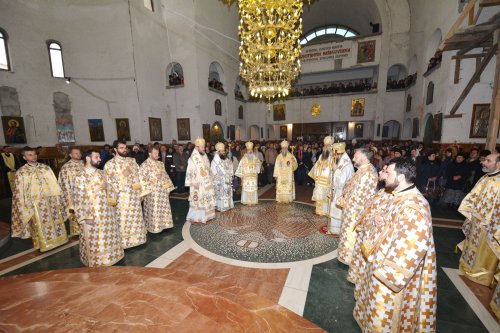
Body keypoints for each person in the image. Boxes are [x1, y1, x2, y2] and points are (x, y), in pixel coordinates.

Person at [354, 158, 437, 332]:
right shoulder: (398, 196)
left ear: (400, 177)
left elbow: (411, 247)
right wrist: (380, 220)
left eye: (388, 172)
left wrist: (385, 272)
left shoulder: (415, 207)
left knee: (385, 312)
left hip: (389, 273)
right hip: (379, 261)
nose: (384, 176)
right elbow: (392, 222)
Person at [11, 147, 68, 252]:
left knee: (55, 220)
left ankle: (60, 240)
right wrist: (25, 204)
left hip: (50, 201)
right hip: (35, 203)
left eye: (34, 154)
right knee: (39, 225)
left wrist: (57, 198)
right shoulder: (22, 172)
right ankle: (44, 244)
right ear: (24, 157)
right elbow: (20, 191)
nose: (34, 156)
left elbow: (54, 184)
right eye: (30, 155)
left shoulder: (45, 168)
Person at [73, 150, 124, 267]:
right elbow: (78, 198)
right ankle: (98, 260)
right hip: (92, 214)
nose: (100, 159)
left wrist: (108, 187)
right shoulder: (80, 177)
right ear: (88, 158)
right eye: (97, 157)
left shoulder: (102, 173)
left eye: (99, 157)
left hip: (107, 212)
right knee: (96, 240)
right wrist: (86, 217)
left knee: (109, 236)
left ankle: (113, 256)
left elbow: (114, 189)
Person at [458, 153, 500, 287]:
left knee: (483, 251)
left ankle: (481, 276)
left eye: (488, 161)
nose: (483, 162)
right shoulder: (485, 177)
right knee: (472, 248)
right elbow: (474, 195)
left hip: (489, 226)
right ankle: (468, 269)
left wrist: (489, 223)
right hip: (476, 221)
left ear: (498, 164)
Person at [348, 165, 392, 287]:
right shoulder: (383, 190)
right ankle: (357, 278)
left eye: (384, 171)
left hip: (372, 237)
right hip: (366, 231)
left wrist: (374, 217)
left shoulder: (391, 196)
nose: (380, 172)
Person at [337, 147, 378, 265]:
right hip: (350, 210)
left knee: (351, 236)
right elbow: (350, 185)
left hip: (356, 213)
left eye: (356, 156)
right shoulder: (361, 169)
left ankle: (350, 259)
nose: (353, 158)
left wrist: (345, 202)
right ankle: (344, 256)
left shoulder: (369, 173)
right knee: (346, 234)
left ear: (363, 157)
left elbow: (361, 197)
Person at [104, 140, 147, 249]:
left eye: (125, 147)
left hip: (134, 196)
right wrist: (122, 176)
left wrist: (141, 192)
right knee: (123, 220)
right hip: (121, 198)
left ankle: (138, 239)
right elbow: (109, 183)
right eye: (121, 148)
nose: (124, 150)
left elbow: (139, 177)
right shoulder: (110, 165)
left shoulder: (132, 161)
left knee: (136, 218)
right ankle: (125, 242)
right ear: (115, 149)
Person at [140, 146, 175, 233]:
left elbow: (165, 175)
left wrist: (168, 187)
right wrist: (154, 177)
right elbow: (142, 179)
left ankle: (165, 224)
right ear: (149, 154)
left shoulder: (160, 164)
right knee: (154, 209)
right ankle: (155, 227)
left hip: (162, 191)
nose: (157, 155)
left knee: (164, 208)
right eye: (155, 153)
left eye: (157, 153)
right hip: (152, 192)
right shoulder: (144, 165)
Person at [323, 142, 354, 236]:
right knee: (335, 210)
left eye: (334, 154)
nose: (333, 156)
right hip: (338, 192)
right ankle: (334, 228)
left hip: (342, 193)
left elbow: (341, 182)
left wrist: (336, 170)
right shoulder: (341, 161)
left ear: (338, 153)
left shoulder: (346, 165)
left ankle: (337, 230)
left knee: (338, 212)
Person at [185, 137, 216, 223]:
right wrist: (193, 182)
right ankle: (197, 217)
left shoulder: (205, 155)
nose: (204, 148)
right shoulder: (192, 158)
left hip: (206, 182)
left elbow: (208, 168)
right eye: (202, 147)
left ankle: (208, 215)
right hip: (198, 183)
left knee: (206, 198)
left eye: (204, 146)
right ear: (197, 147)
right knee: (199, 200)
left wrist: (211, 178)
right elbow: (189, 171)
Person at [57, 147, 84, 236]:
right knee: (74, 213)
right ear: (70, 155)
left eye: (79, 153)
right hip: (73, 194)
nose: (78, 155)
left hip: (85, 193)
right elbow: (64, 184)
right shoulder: (66, 167)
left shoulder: (84, 163)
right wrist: (69, 196)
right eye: (76, 153)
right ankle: (76, 231)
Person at [308, 136, 335, 216]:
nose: (326, 147)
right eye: (325, 145)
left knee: (325, 196)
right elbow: (317, 166)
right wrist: (315, 175)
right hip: (319, 180)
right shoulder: (321, 156)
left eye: (328, 146)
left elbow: (334, 168)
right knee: (319, 195)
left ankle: (325, 211)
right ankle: (319, 210)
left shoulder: (333, 157)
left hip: (327, 181)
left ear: (331, 146)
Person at [211, 142, 234, 212]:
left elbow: (229, 168)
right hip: (220, 182)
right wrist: (220, 177)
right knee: (221, 195)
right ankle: (220, 206)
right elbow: (213, 172)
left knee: (227, 193)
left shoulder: (226, 159)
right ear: (218, 152)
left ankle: (228, 205)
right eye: (222, 151)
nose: (224, 152)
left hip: (227, 180)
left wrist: (230, 164)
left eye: (224, 151)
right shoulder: (214, 161)